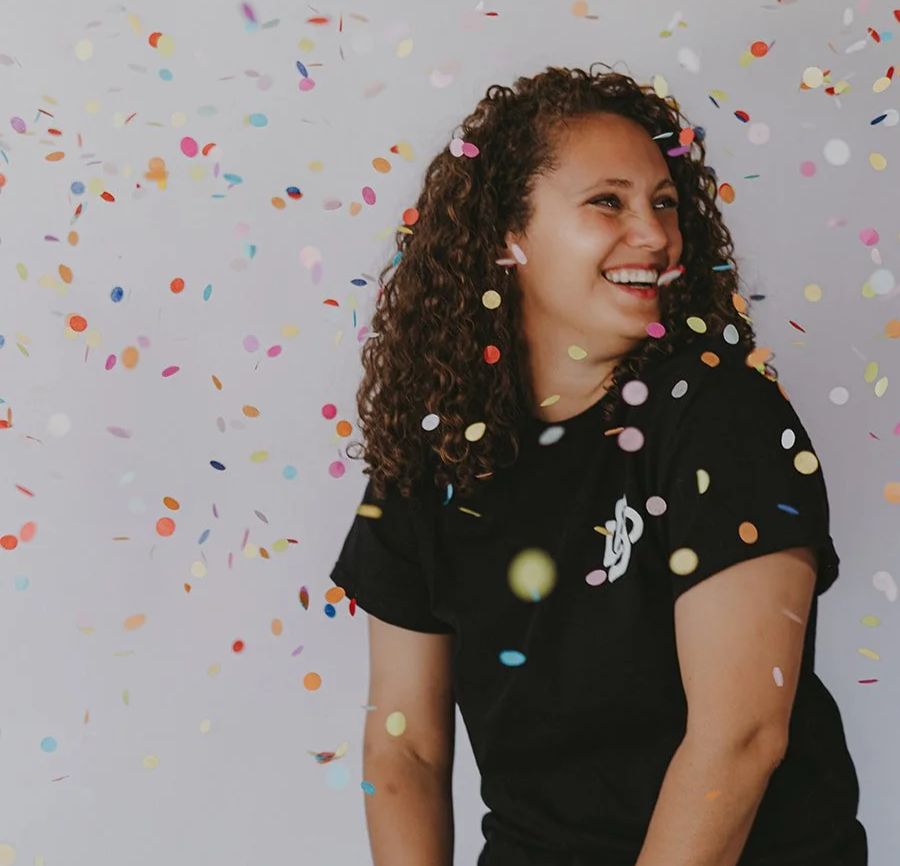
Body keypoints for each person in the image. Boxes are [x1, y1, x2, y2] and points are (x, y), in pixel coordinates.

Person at [329, 63, 867, 866]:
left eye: (664, 203)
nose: (654, 236)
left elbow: (741, 738)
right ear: (507, 236)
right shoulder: (433, 452)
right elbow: (404, 749)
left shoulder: (719, 418)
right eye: (607, 202)